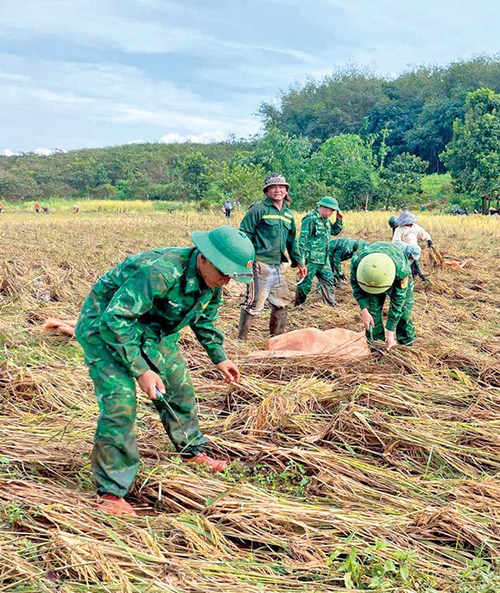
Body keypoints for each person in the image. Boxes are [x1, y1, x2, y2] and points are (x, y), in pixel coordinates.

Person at [75, 225, 255, 516]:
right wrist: (141, 370)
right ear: (204, 258)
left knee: (179, 388)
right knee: (121, 403)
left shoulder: (213, 283)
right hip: (105, 329)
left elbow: (204, 320)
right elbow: (116, 320)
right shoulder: (159, 272)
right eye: (224, 272)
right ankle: (110, 492)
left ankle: (192, 452)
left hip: (154, 331)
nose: (226, 280)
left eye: (231, 275)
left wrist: (219, 357)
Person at [238, 173, 306, 339]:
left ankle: (276, 340)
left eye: (281, 187)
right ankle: (241, 342)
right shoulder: (258, 210)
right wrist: (246, 259)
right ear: (267, 191)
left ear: (286, 190)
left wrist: (299, 262)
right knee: (254, 303)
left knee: (282, 303)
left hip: (277, 265)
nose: (278, 190)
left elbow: (292, 241)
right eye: (273, 187)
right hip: (259, 263)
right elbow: (244, 234)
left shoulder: (288, 214)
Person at [350, 241, 415, 350]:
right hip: (369, 277)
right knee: (372, 315)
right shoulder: (358, 262)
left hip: (395, 271)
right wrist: (364, 310)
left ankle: (407, 347)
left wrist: (390, 333)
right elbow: (357, 288)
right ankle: (377, 348)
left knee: (404, 314)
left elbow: (398, 301)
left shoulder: (401, 270)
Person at [294, 196, 343, 308]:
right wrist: (301, 260)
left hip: (323, 259)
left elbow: (334, 232)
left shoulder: (325, 220)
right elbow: (302, 240)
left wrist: (339, 220)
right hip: (310, 259)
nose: (331, 213)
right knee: (305, 284)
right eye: (331, 210)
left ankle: (330, 306)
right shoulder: (310, 219)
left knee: (328, 280)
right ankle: (299, 306)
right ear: (324, 207)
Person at [391, 211, 433, 282]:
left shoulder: (415, 227)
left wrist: (428, 239)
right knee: (406, 266)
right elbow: (395, 242)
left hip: (414, 250)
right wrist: (406, 247)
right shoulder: (399, 229)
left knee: (416, 263)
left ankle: (419, 276)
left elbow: (423, 233)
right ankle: (406, 279)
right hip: (405, 252)